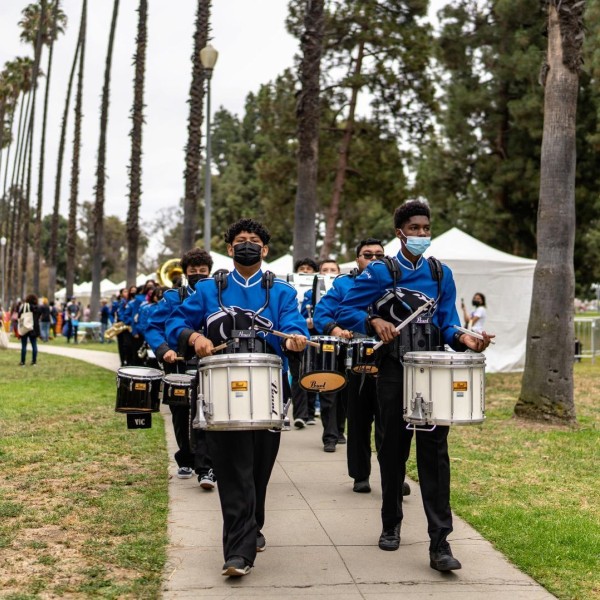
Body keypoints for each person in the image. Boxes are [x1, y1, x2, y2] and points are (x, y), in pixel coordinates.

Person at [337, 200, 493, 571]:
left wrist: (466, 339)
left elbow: (447, 325)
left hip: (432, 371)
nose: (423, 234)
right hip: (392, 370)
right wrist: (373, 322)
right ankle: (390, 524)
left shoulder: (441, 274)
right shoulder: (380, 272)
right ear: (400, 232)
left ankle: (440, 543)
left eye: (426, 228)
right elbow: (344, 311)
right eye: (416, 228)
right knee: (392, 450)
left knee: (435, 456)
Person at [167, 218, 308, 578]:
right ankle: (238, 553)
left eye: (254, 241)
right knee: (232, 473)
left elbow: (294, 325)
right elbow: (175, 324)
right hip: (220, 391)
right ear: (229, 250)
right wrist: (192, 337)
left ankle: (252, 526)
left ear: (265, 249)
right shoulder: (207, 290)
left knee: (257, 473)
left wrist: (294, 338)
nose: (248, 245)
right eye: (240, 241)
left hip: (269, 391)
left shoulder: (282, 292)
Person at [145, 248, 216, 487]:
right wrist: (164, 350)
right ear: (185, 273)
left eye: (202, 271)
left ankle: (206, 467)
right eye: (193, 271)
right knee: (179, 412)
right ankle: (185, 457)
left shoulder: (218, 295)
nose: (197, 274)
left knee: (206, 413)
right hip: (178, 364)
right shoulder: (173, 297)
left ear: (210, 272)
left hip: (209, 364)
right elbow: (154, 326)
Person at [289, 257, 319, 429]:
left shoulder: (317, 290)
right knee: (298, 375)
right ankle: (300, 415)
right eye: (302, 268)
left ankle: (309, 412)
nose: (305, 271)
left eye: (309, 268)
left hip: (315, 336)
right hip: (295, 336)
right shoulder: (291, 289)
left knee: (313, 374)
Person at [18, 294, 40, 366]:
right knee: (34, 345)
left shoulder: (25, 306)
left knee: (24, 345)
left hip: (25, 327)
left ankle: (23, 362)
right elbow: (38, 317)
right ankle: (34, 362)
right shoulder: (37, 307)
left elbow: (19, 315)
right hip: (33, 328)